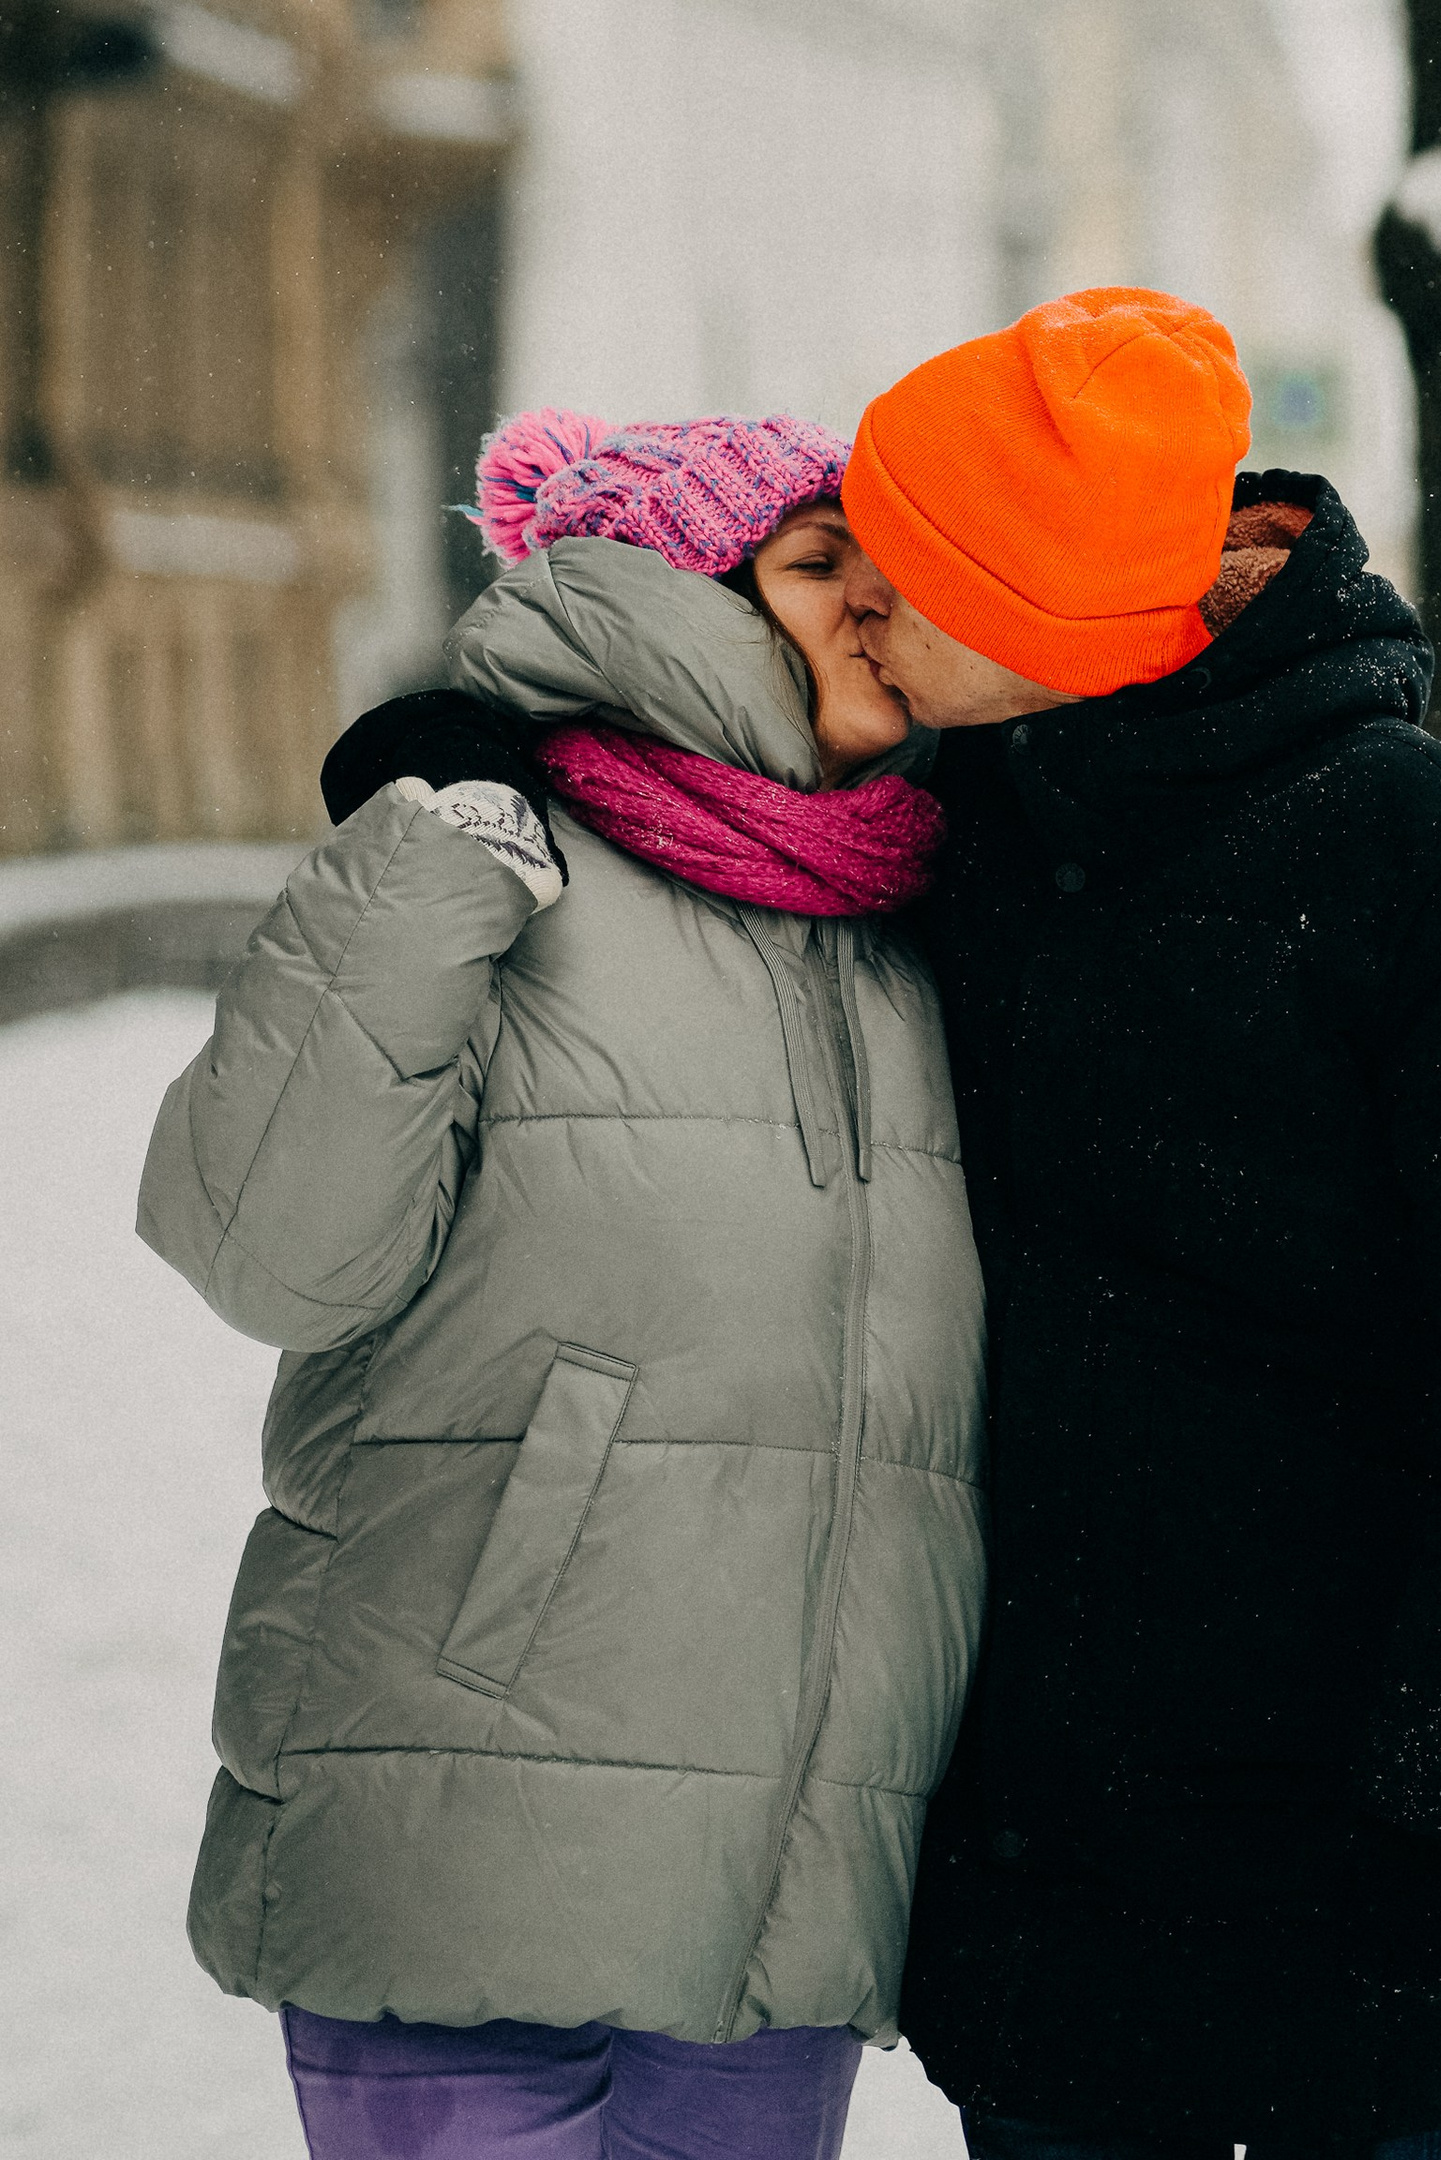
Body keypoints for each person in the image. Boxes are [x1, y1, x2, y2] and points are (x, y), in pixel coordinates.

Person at [834, 283, 1441, 2159]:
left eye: (902, 565)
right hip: (1035, 1867)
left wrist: (1440, 1809)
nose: (858, 601)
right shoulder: (951, 820)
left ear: (1035, 603)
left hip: (1335, 1873)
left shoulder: (1430, 857)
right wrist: (464, 752)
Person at [137, 411, 989, 2160]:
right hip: (462, 1831)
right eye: (815, 563)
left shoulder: (923, 917)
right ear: (669, 602)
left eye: (891, 569)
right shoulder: (493, 865)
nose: (873, 604)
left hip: (785, 1893)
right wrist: (431, 851)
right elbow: (267, 1251)